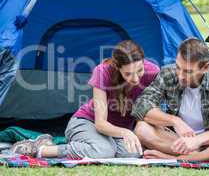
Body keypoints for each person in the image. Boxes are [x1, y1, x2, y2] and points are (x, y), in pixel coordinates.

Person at [11, 40, 160, 159]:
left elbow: (153, 109)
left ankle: (90, 145)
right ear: (117, 67)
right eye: (128, 74)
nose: (135, 79)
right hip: (87, 122)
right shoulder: (103, 72)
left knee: (132, 153)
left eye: (139, 70)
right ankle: (41, 149)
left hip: (116, 132)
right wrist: (126, 133)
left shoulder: (153, 72)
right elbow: (101, 124)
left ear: (143, 61)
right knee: (103, 151)